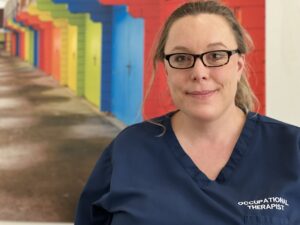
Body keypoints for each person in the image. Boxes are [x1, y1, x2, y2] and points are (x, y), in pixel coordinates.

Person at [74, 1, 300, 224]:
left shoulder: (292, 149)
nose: (199, 72)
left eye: (216, 55)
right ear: (167, 69)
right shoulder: (128, 148)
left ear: (239, 65)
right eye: (181, 58)